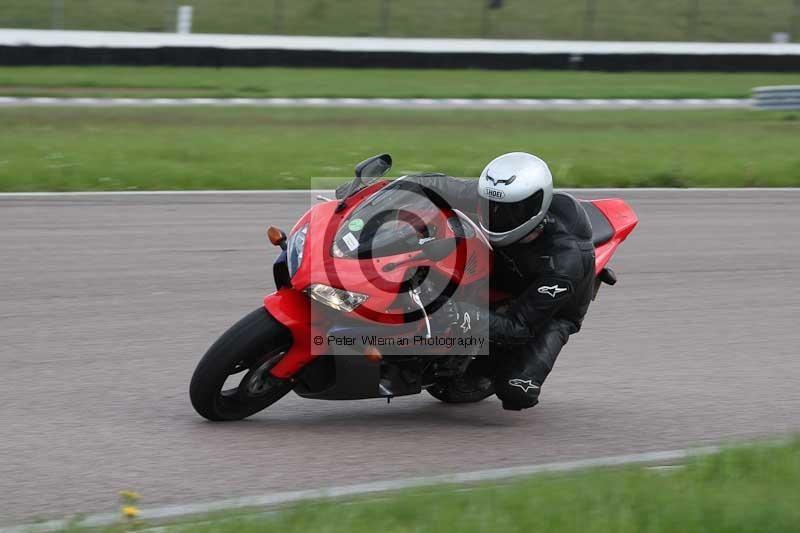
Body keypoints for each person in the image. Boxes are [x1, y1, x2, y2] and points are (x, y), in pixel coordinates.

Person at [408, 152, 596, 410]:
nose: (495, 215)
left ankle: (488, 364)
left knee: (516, 390)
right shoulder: (495, 194)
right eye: (490, 206)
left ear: (535, 208)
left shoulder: (565, 260)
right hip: (502, 264)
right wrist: (376, 192)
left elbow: (519, 327)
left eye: (509, 211)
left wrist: (461, 314)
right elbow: (433, 184)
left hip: (547, 309)